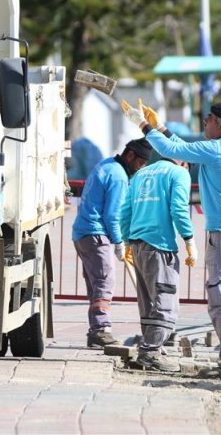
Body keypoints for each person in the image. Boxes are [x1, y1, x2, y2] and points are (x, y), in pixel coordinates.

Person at [123, 98, 221, 381]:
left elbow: (174, 151)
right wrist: (160, 127)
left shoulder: (216, 148)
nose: (204, 122)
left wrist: (143, 125)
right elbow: (182, 149)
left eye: (208, 118)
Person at [72, 137, 152, 348]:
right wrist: (119, 243)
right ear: (130, 155)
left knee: (96, 284)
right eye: (140, 163)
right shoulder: (118, 176)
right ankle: (100, 330)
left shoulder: (106, 164)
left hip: (83, 233)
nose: (140, 167)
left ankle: (95, 331)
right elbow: (112, 215)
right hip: (97, 234)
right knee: (105, 282)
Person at [120, 156, 197, 372]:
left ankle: (153, 346)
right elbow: (179, 209)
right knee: (165, 301)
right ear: (182, 160)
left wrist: (127, 240)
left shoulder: (140, 174)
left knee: (147, 301)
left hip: (138, 245)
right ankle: (151, 351)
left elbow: (125, 212)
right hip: (160, 245)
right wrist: (189, 240)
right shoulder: (178, 173)